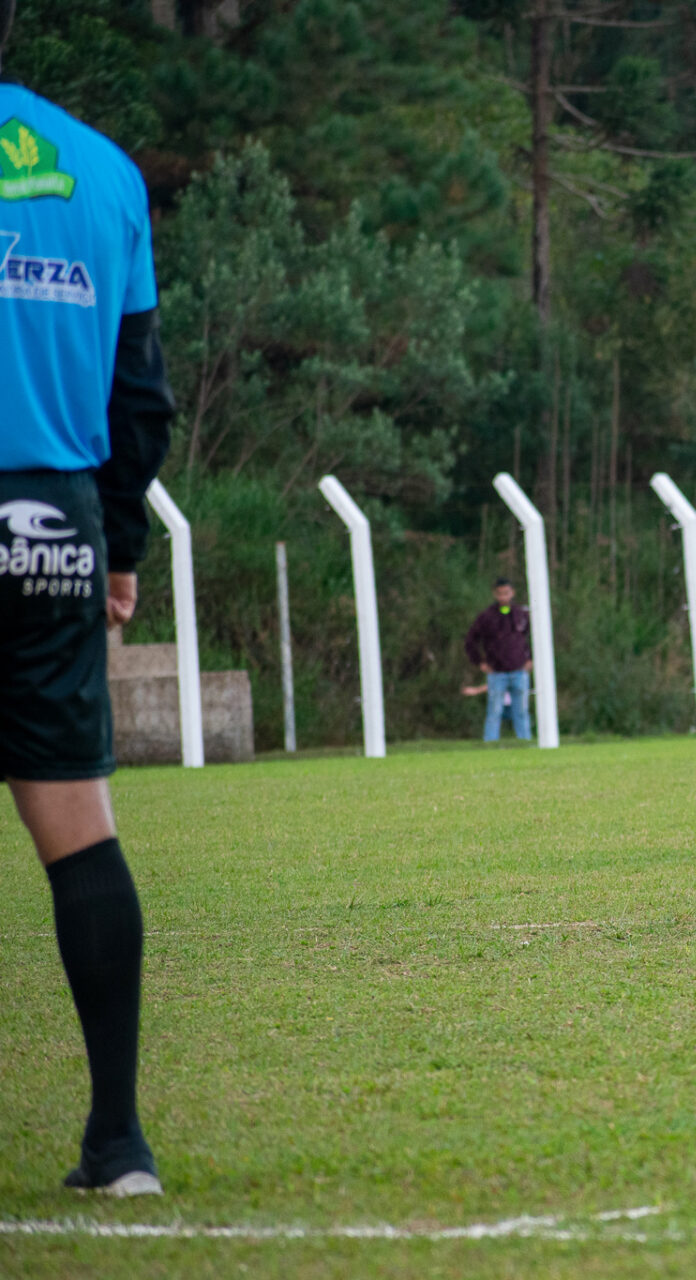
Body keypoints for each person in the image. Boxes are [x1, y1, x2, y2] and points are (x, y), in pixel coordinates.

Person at [0, 0, 176, 1196]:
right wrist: (118, 547)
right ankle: (118, 1143)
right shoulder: (103, 171)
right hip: (51, 523)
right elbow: (139, 393)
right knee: (77, 824)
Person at [463, 577, 533, 741]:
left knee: (521, 710)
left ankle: (525, 741)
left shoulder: (521, 615)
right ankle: (490, 742)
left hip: (519, 670)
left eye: (506, 593)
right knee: (494, 711)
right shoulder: (487, 617)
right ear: (495, 594)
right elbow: (471, 640)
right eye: (500, 594)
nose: (503, 597)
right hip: (497, 672)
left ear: (512, 593)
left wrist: (530, 659)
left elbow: (532, 637)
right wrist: (479, 662)